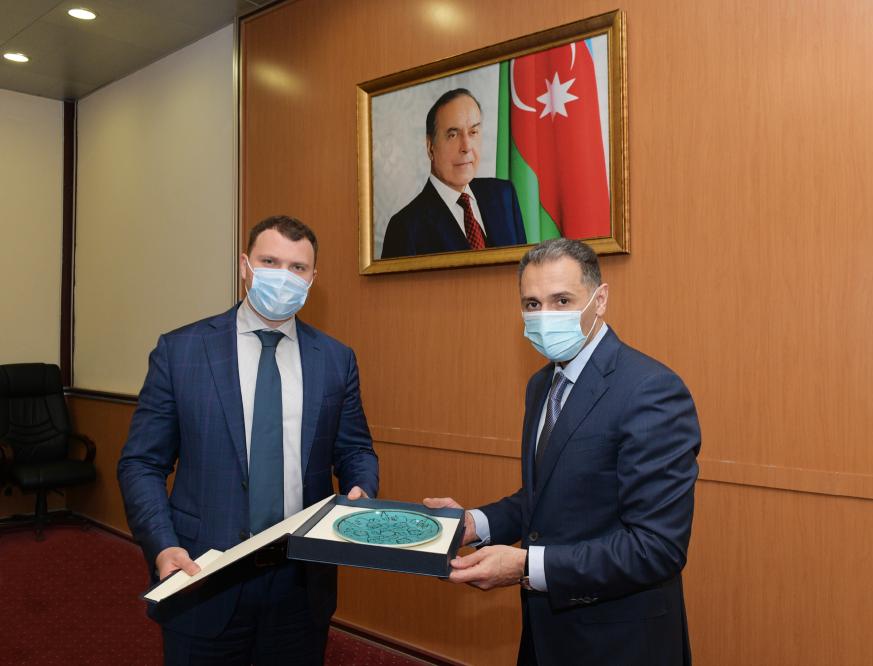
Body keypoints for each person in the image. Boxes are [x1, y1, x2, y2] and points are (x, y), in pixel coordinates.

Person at [118, 215, 379, 665]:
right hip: (201, 576)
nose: (283, 276)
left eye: (297, 267)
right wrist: (162, 544)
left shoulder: (336, 359)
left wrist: (363, 489)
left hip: (300, 584)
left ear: (313, 278)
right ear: (245, 266)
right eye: (270, 262)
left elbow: (355, 449)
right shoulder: (181, 351)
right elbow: (141, 463)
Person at [425, 238, 701, 665]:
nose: (545, 316)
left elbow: (656, 547)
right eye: (532, 304)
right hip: (546, 635)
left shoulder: (651, 390)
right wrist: (474, 524)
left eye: (562, 300)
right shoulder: (541, 385)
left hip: (620, 642)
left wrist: (526, 567)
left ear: (600, 299)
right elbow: (547, 499)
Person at [380, 88, 527, 258]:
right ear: (430, 147)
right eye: (453, 135)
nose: (466, 147)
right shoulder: (405, 228)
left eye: (473, 132)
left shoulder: (504, 195)